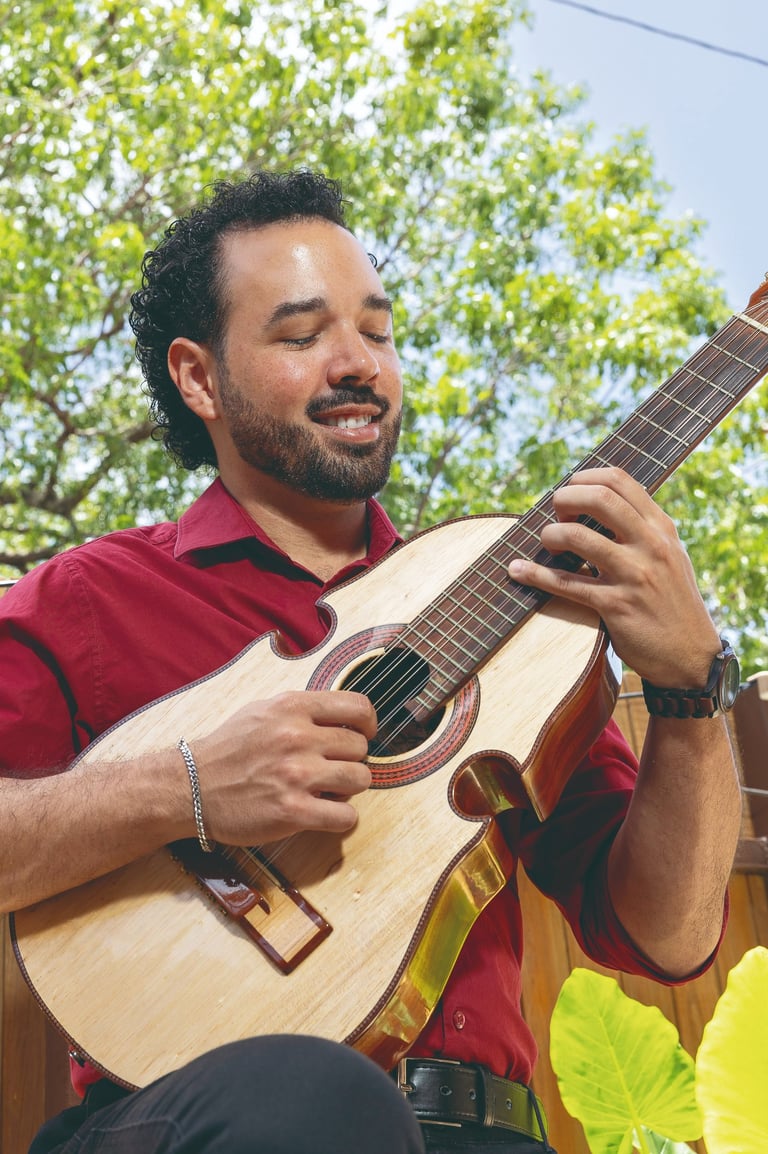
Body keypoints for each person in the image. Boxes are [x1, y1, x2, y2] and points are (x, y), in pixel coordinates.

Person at [0, 170, 742, 1154]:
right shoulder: (90, 600)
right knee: (313, 1100)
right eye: (302, 336)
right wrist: (186, 788)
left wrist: (691, 690)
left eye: (378, 332)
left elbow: (666, 934)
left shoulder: (514, 615)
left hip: (479, 1131)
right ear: (199, 378)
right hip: (203, 1119)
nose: (358, 364)